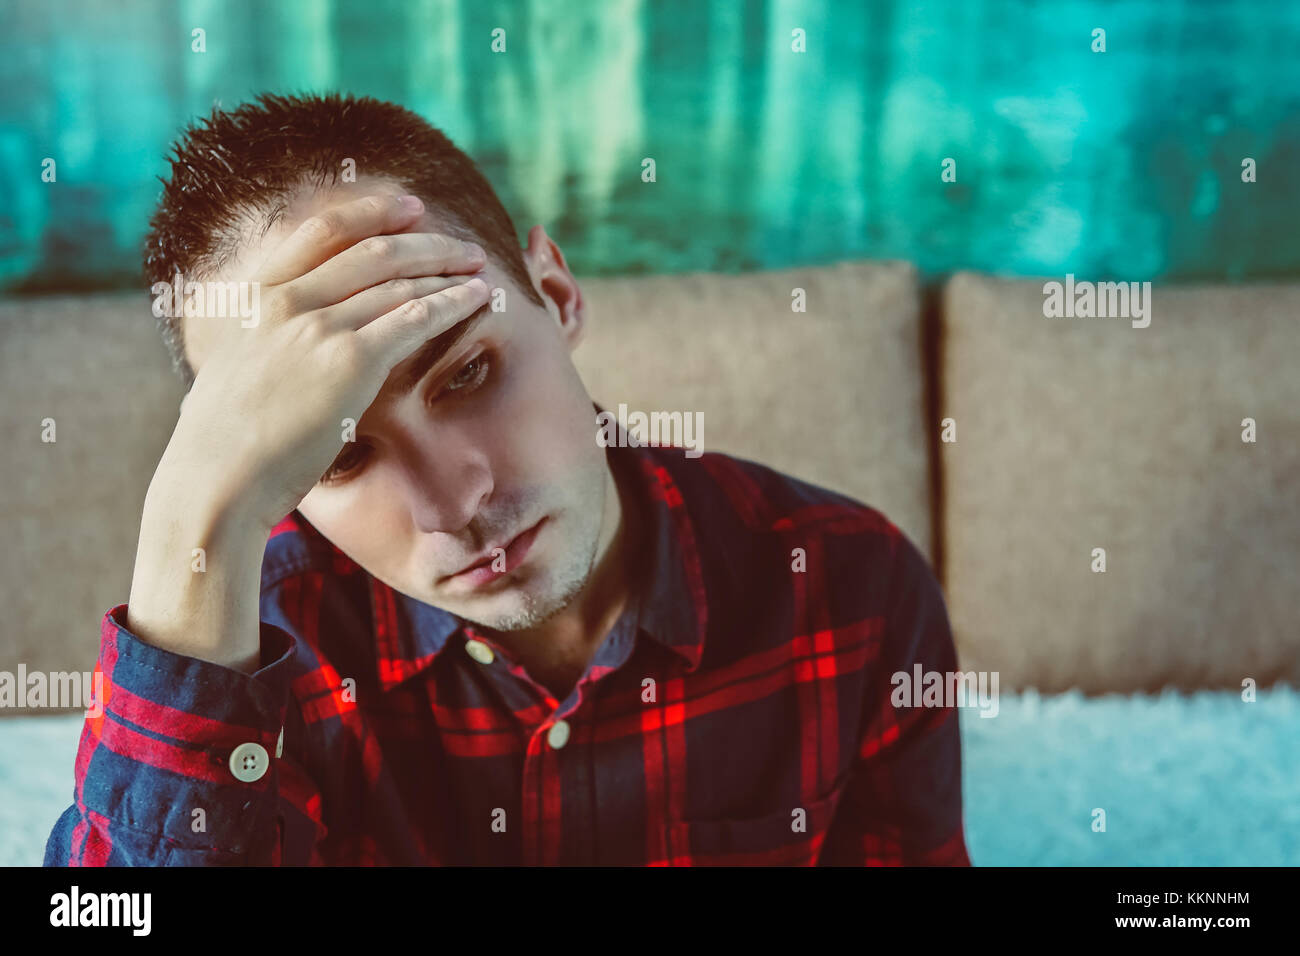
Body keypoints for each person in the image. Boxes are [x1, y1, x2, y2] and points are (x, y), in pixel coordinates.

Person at [46, 93, 971, 865]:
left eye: (467, 374)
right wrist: (191, 518)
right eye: (337, 457)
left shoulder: (853, 585)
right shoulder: (260, 659)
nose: (455, 505)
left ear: (557, 295)